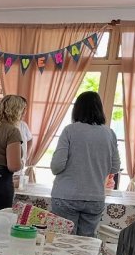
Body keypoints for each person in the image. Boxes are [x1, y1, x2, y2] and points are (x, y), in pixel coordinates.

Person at [50, 91, 122, 237]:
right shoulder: (109, 133)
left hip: (66, 196)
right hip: (95, 197)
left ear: (77, 109)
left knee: (63, 242)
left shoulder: (70, 130)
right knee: (85, 244)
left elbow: (56, 166)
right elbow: (114, 167)